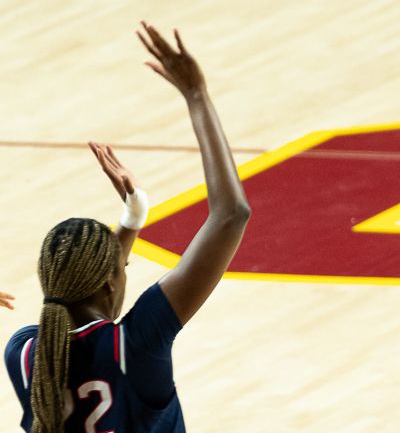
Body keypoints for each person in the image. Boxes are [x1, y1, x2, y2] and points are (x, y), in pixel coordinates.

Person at [4, 22, 251, 433]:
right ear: (108, 283)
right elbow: (231, 214)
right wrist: (196, 96)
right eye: (124, 267)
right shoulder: (136, 346)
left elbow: (82, 291)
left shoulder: (27, 356)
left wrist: (132, 218)